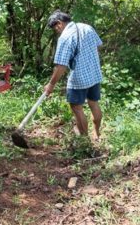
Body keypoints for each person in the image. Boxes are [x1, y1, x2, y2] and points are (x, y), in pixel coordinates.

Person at [44, 10, 103, 140]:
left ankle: (84, 139)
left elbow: (61, 66)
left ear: (59, 23)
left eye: (55, 28)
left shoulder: (65, 37)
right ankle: (97, 134)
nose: (57, 31)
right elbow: (98, 46)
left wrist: (51, 84)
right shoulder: (87, 27)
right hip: (94, 74)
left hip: (79, 78)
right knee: (94, 103)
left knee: (76, 107)